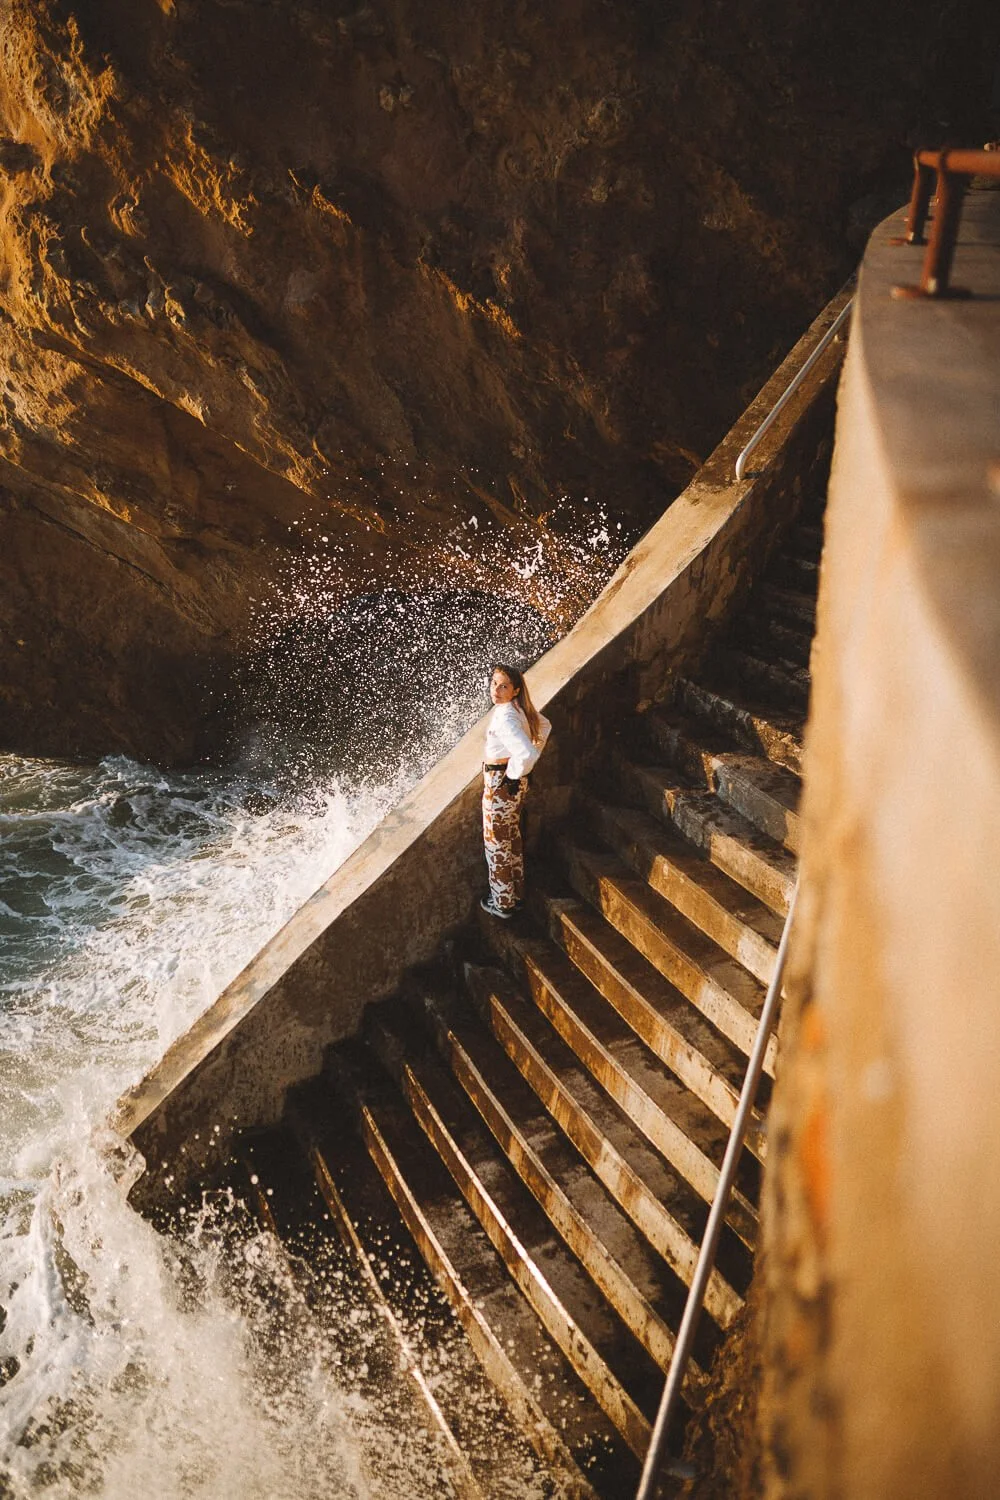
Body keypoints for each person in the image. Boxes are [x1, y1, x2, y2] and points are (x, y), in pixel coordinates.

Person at [481, 663, 551, 919]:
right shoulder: (518, 709)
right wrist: (522, 772)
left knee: (496, 842)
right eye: (494, 684)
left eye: (504, 686)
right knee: (511, 837)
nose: (496, 690)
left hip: (501, 782)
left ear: (515, 690)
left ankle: (502, 903)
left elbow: (526, 753)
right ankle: (515, 893)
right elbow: (545, 727)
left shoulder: (505, 717)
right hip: (515, 782)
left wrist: (512, 775)